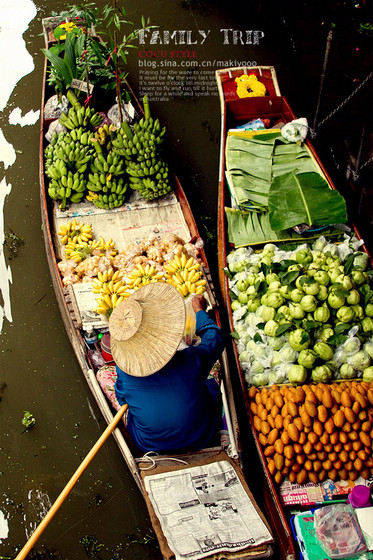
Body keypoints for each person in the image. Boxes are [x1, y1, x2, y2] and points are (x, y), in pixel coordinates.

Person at [108, 282, 225, 454]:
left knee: (104, 373)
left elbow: (123, 399)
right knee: (212, 377)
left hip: (150, 445)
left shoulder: (126, 373)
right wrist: (200, 311)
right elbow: (215, 339)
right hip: (201, 438)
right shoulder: (193, 360)